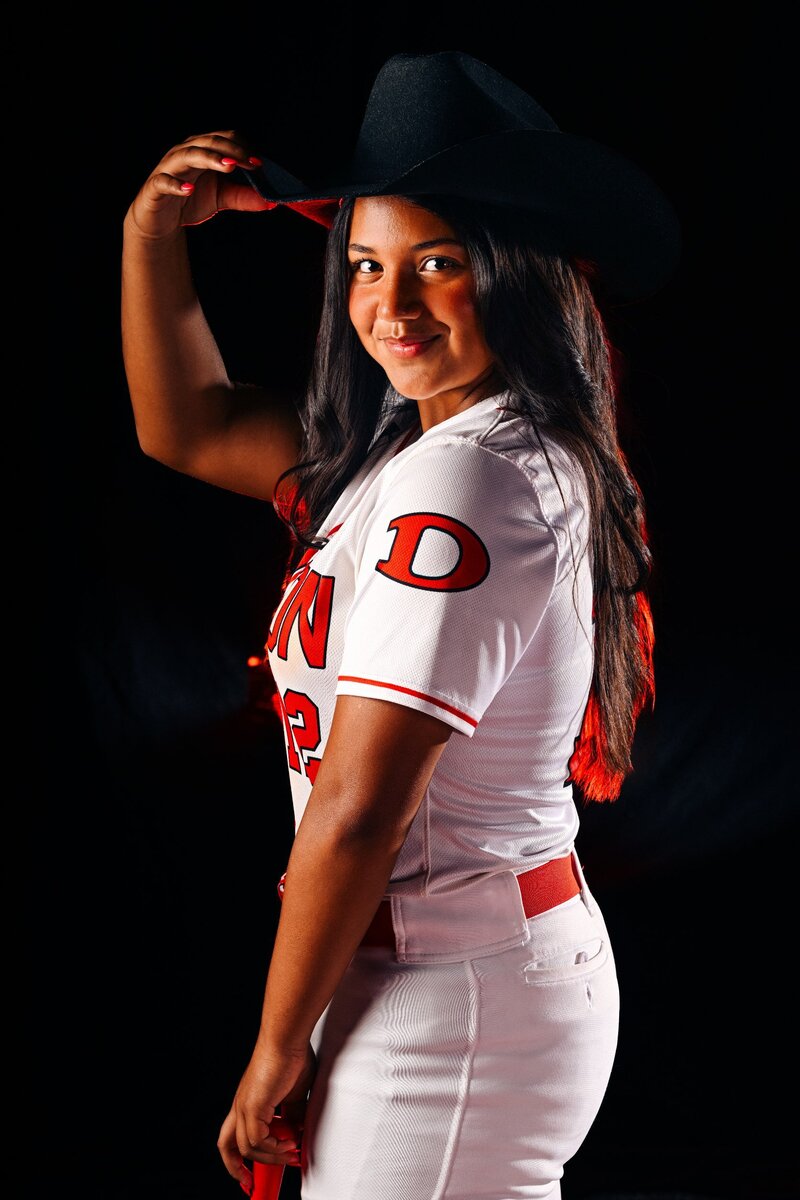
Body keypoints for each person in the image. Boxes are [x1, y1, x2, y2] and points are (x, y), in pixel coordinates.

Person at [121, 50, 680, 1200]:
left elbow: (361, 805)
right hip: (452, 968)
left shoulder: (465, 480)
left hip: (450, 986)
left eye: (438, 264)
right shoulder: (426, 448)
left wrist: (274, 1051)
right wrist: (151, 240)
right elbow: (191, 425)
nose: (388, 305)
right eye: (365, 266)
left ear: (516, 272)